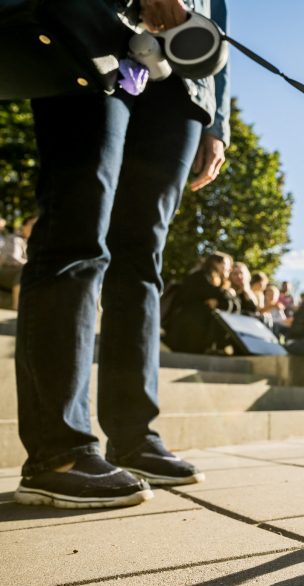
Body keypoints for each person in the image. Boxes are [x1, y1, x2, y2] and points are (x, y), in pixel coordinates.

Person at [13, 0, 230, 508]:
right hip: (93, 25)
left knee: (142, 258)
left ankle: (136, 437)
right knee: (76, 226)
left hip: (185, 84)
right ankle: (57, 451)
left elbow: (219, 14)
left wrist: (216, 121)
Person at [163, 252, 238, 353]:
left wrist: (223, 298)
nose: (229, 269)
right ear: (215, 263)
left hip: (200, 335)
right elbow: (214, 295)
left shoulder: (221, 284)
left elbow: (232, 305)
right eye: (226, 264)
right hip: (188, 332)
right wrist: (227, 294)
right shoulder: (199, 277)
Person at [0, 215, 36, 310]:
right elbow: (13, 259)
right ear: (24, 226)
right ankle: (16, 306)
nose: (35, 226)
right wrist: (30, 264)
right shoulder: (15, 239)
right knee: (25, 269)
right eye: (32, 224)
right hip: (5, 272)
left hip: (19, 273)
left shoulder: (33, 242)